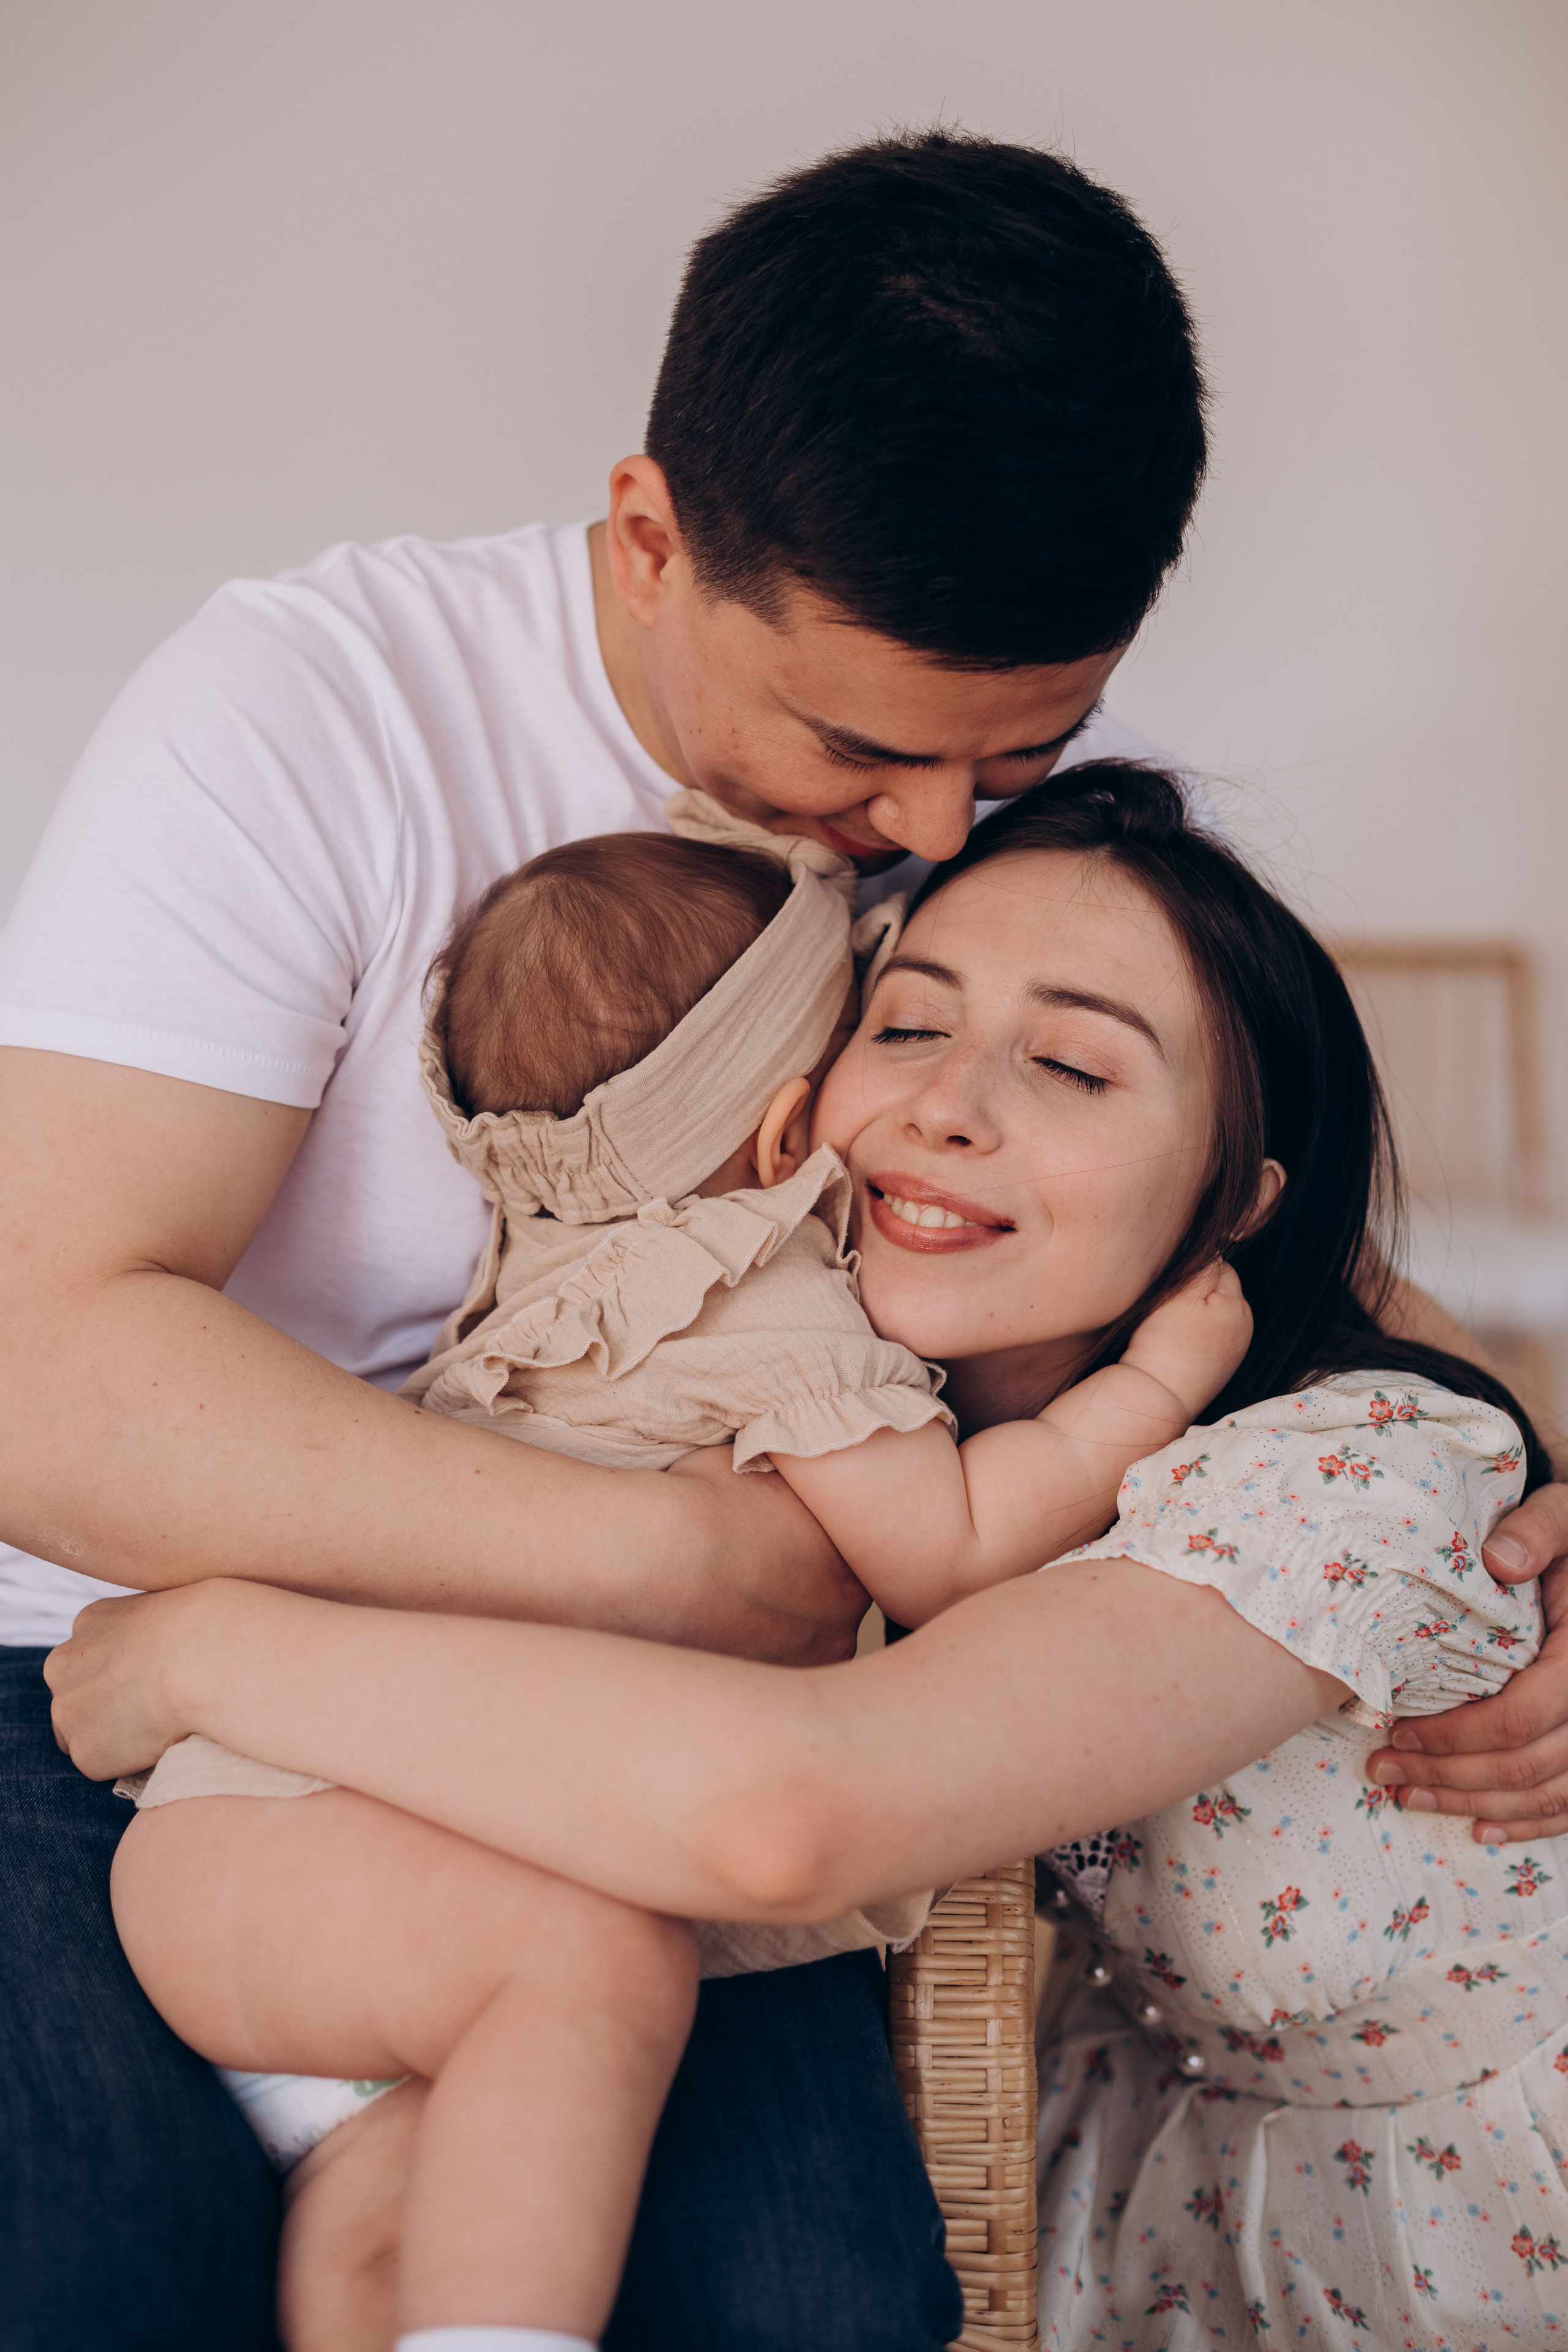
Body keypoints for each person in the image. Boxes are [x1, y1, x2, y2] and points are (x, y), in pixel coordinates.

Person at [2, 126, 1564, 2352]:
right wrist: (675, 1566)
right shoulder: (310, 713)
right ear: (650, 538)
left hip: (671, 1721)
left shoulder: (974, 790)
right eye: (865, 752)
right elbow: (39, 1377)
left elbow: (1237, 1204)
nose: (927, 838)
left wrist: (1503, 1519)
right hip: (113, 1649)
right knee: (97, 2283)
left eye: (1018, 759)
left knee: (795, 2307)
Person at [49, 765, 1565, 2350]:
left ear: (1236, 1198)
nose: (945, 1105)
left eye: (1069, 1065)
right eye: (905, 1026)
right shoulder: (814, 1386)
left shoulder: (1337, 1479)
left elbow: (792, 1807)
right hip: (1218, 2195)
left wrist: (210, 1647)